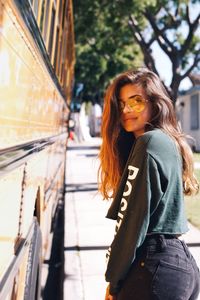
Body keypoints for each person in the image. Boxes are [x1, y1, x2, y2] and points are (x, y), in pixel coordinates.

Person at [98, 68, 200, 300]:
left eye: (135, 102)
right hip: (177, 266)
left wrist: (113, 282)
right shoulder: (164, 142)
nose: (125, 110)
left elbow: (131, 222)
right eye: (121, 103)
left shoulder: (149, 143)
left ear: (155, 104)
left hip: (153, 268)